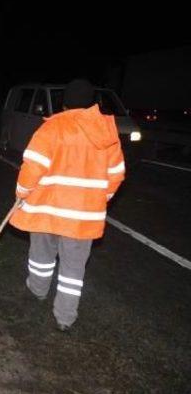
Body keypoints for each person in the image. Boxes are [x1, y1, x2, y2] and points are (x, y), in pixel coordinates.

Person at [9, 79, 126, 331]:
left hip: (46, 210)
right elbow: (116, 174)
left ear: (64, 103)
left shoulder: (52, 128)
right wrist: (98, 198)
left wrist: (22, 193)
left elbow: (32, 167)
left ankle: (37, 291)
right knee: (73, 268)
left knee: (41, 256)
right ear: (93, 102)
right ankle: (65, 317)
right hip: (82, 217)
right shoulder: (106, 132)